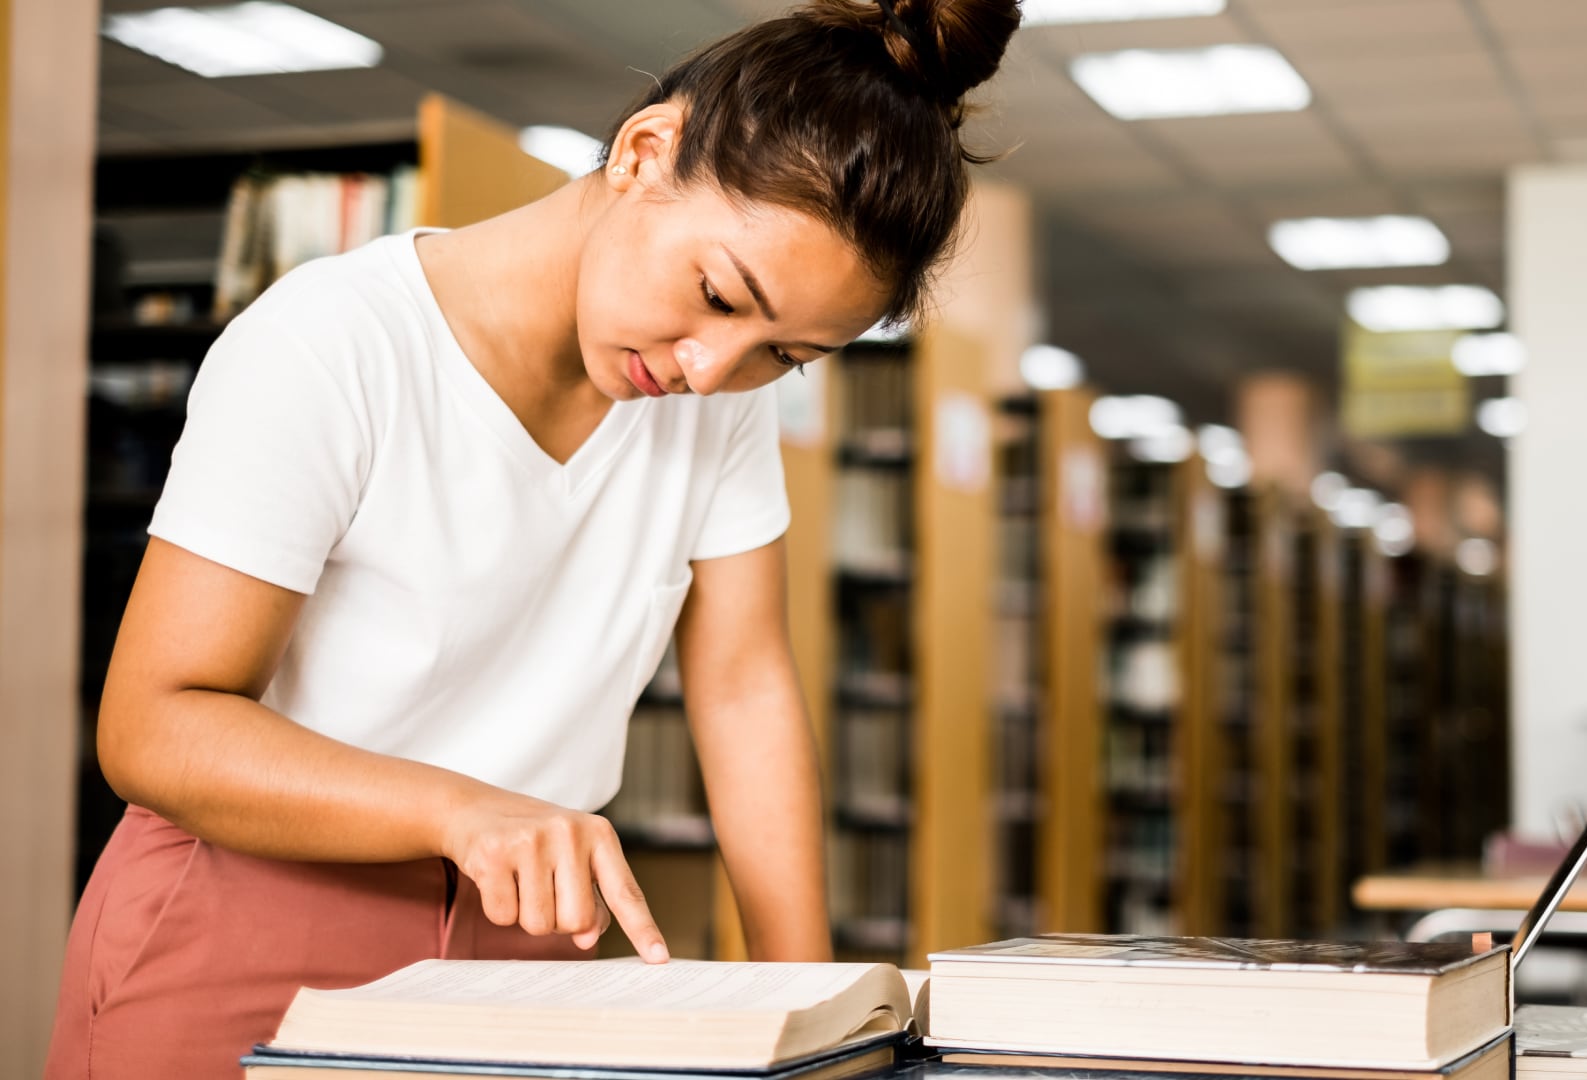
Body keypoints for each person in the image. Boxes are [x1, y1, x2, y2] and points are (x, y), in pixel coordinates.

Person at [45, 0, 1021, 1075]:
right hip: (247, 914)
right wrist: (463, 811)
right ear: (645, 152)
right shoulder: (332, 344)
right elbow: (152, 726)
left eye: (784, 355)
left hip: (528, 946)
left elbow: (743, 688)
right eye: (715, 294)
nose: (713, 367)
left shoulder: (715, 398)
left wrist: (816, 1015)